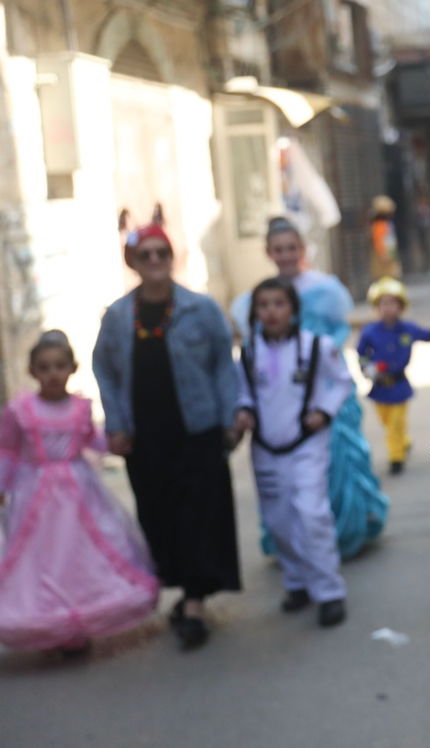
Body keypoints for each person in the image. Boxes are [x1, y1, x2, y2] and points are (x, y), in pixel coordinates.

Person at [93, 224, 242, 650]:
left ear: (172, 257)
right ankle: (181, 586)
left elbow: (222, 365)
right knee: (158, 516)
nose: (156, 261)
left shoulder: (201, 309)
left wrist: (230, 416)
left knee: (199, 512)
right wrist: (116, 424)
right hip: (145, 436)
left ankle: (194, 601)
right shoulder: (119, 316)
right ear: (133, 263)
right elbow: (104, 369)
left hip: (197, 429)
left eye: (163, 253)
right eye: (147, 255)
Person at [232, 218, 389, 559]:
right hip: (282, 391)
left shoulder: (326, 289)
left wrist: (316, 363)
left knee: (339, 455)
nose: (286, 255)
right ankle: (295, 544)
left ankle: (346, 529)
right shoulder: (256, 298)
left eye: (292, 248)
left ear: (302, 250)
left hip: (326, 382)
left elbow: (338, 330)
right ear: (269, 253)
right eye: (279, 249)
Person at [0, 331, 159, 655]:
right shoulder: (21, 411)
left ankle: (81, 620)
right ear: (33, 372)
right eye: (44, 368)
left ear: (72, 368)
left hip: (79, 494)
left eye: (59, 366)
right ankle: (51, 621)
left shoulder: (80, 408)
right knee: (42, 558)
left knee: (82, 554)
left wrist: (119, 443)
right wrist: (3, 486)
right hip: (36, 498)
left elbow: (92, 441)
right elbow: (10, 452)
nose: (53, 374)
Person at [232, 278, 353, 628]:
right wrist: (243, 410)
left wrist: (325, 411)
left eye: (279, 303)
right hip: (266, 446)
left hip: (307, 442)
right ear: (254, 312)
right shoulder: (250, 352)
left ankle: (329, 591)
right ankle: (296, 581)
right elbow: (244, 392)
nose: (271, 312)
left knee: (311, 513)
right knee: (278, 518)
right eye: (264, 305)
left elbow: (342, 381)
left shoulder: (317, 346)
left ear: (294, 310)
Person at [357, 276, 430, 475]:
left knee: (396, 423)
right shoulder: (370, 332)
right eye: (384, 303)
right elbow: (361, 354)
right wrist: (366, 368)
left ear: (401, 306)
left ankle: (396, 458)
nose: (388, 308)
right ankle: (404, 442)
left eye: (393, 303)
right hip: (380, 387)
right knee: (386, 422)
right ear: (377, 306)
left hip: (399, 386)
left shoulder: (408, 329)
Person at [368, 194, 402, 281]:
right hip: (384, 259)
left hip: (389, 255)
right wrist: (384, 255)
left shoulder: (386, 223)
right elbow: (379, 241)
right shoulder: (379, 225)